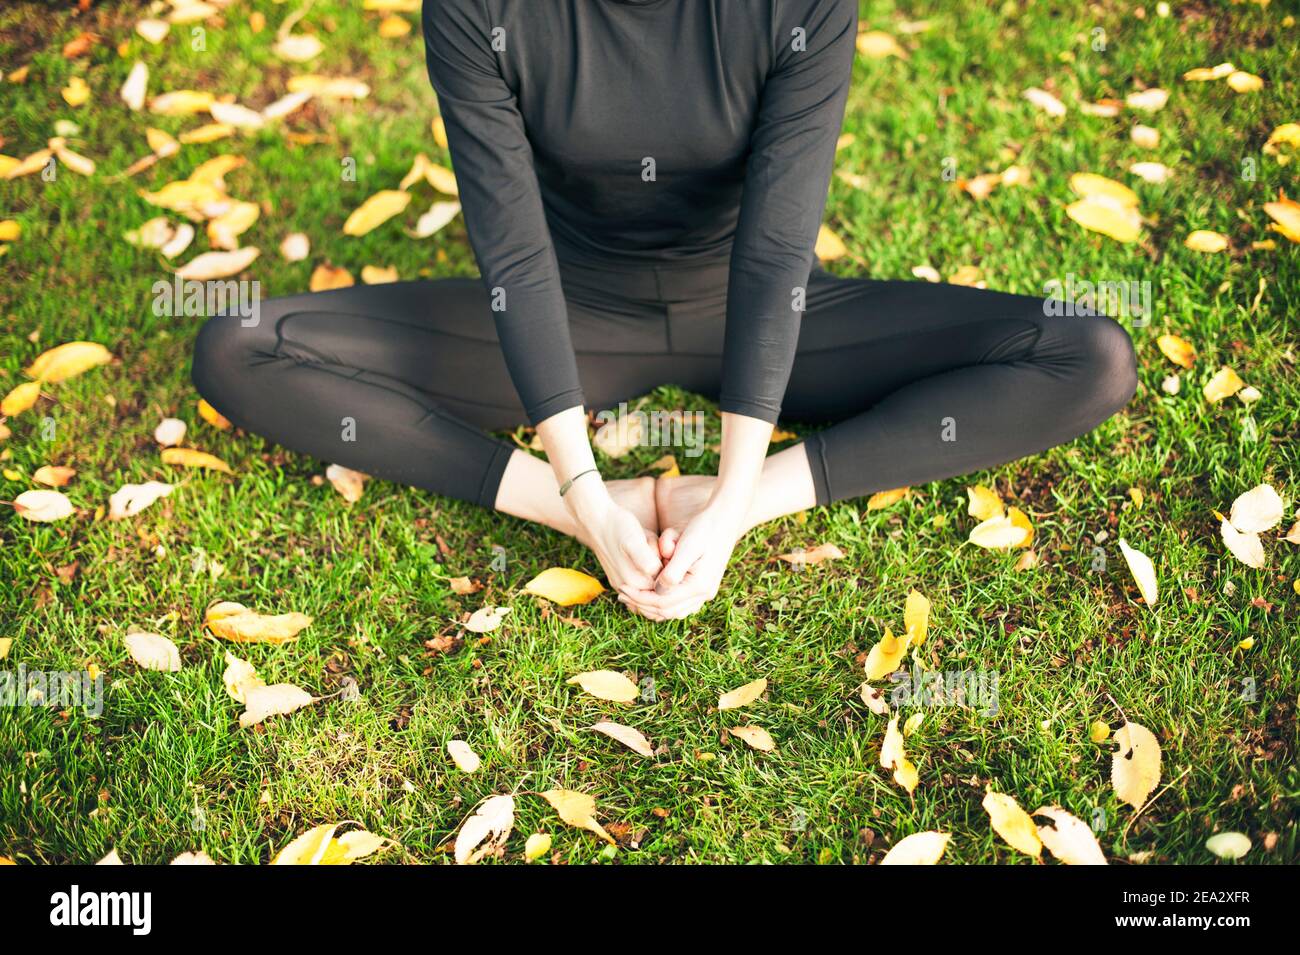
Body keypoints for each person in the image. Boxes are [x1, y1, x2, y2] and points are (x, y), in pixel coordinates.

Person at [192, 0, 1137, 621]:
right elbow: (514, 255)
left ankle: (737, 498)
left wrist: (735, 499)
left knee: (1087, 354)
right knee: (241, 346)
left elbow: (773, 254)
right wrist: (585, 499)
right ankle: (573, 511)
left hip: (767, 312)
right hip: (567, 313)